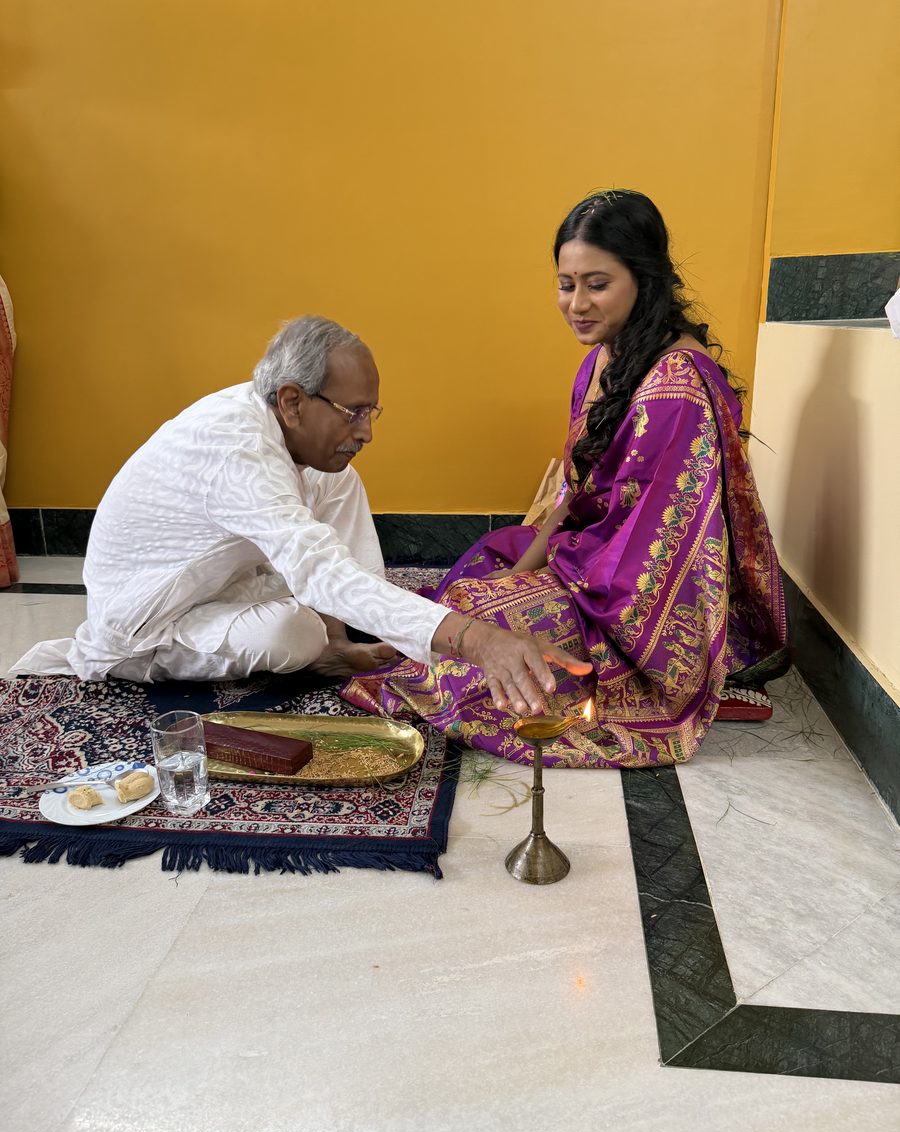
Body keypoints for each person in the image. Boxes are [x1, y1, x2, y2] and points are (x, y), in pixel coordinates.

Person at [342, 191, 789, 768]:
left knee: (482, 634)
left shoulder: (676, 388)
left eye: (596, 284)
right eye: (565, 283)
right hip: (592, 560)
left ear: (644, 280)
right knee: (479, 574)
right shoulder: (601, 359)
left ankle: (683, 685)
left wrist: (539, 586)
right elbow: (575, 496)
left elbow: (658, 559)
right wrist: (524, 570)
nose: (576, 303)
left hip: (639, 607)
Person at [11, 316, 591, 715]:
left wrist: (338, 642)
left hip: (225, 578)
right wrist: (475, 640)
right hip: (147, 619)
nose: (366, 431)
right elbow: (318, 570)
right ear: (292, 400)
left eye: (373, 412)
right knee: (293, 633)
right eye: (353, 412)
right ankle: (311, 642)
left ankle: (333, 638)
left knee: (337, 478)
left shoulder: (269, 419)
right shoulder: (236, 452)